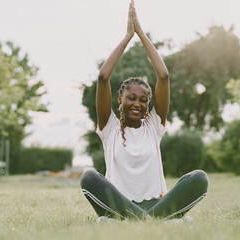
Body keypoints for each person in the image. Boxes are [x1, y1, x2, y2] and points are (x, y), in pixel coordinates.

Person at [80, 0, 208, 221]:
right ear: (120, 99)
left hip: (157, 203)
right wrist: (128, 37)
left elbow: (164, 76)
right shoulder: (108, 127)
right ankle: (155, 222)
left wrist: (141, 33)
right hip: (119, 204)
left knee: (199, 178)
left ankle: (140, 221)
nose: (137, 104)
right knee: (88, 177)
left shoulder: (153, 126)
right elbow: (102, 77)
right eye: (131, 98)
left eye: (143, 100)